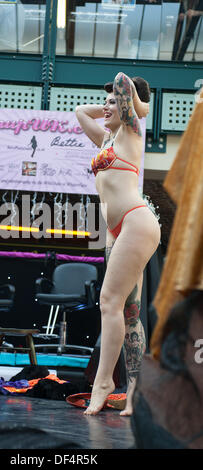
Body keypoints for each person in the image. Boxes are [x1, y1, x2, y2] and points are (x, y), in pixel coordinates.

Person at [75, 72, 161, 416]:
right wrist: (108, 106)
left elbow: (122, 81)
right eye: (106, 101)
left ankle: (104, 382)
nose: (108, 105)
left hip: (137, 222)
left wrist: (133, 105)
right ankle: (137, 388)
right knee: (129, 312)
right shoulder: (106, 140)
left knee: (108, 301)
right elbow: (81, 111)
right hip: (117, 231)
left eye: (113, 101)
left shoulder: (132, 130)